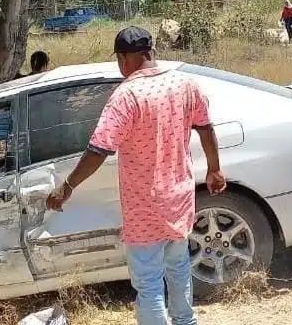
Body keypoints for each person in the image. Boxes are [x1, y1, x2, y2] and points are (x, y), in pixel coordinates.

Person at [46, 26, 227, 325]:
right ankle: (185, 321)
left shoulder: (126, 96)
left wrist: (67, 186)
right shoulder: (184, 84)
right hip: (179, 198)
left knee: (149, 283)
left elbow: (98, 150)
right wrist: (214, 168)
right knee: (179, 267)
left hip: (144, 207)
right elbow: (206, 128)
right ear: (151, 52)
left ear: (123, 59)